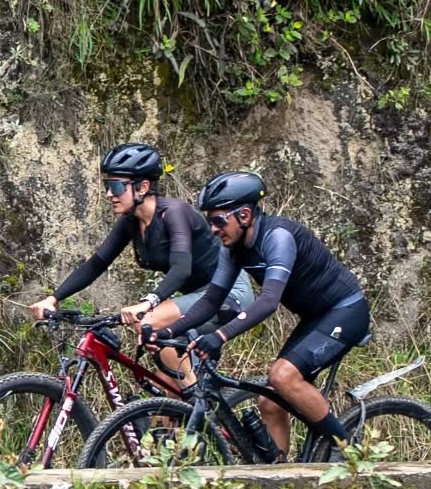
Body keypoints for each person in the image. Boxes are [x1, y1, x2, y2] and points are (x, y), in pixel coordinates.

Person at [148, 170, 370, 456]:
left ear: (243, 215)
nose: (213, 229)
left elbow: (268, 301)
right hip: (316, 318)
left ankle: (352, 453)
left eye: (218, 220)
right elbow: (211, 300)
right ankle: (278, 479)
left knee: (283, 376)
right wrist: (166, 332)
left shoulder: (278, 237)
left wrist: (220, 335)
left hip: (345, 310)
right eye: (209, 221)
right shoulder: (234, 249)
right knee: (270, 404)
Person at [28, 144, 254, 384]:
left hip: (228, 293)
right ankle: (183, 407)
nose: (109, 194)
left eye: (115, 186)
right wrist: (54, 298)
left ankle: (197, 405)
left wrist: (148, 302)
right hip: (197, 297)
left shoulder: (174, 213)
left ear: (143, 187)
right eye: (107, 186)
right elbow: (96, 264)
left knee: (150, 322)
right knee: (163, 387)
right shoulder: (131, 222)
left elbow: (181, 268)